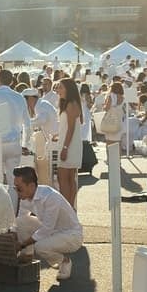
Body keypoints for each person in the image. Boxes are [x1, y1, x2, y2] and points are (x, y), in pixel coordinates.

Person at [13, 165, 83, 280]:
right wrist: (13, 236)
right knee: (20, 222)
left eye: (19, 188)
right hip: (52, 230)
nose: (17, 192)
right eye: (15, 188)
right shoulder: (26, 196)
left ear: (31, 186)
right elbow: (19, 218)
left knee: (40, 247)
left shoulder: (50, 197)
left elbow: (46, 229)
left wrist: (21, 245)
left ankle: (64, 261)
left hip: (71, 235)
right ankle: (27, 255)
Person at [55, 78, 84, 210]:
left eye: (60, 87)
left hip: (69, 145)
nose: (58, 90)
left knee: (63, 178)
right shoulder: (71, 103)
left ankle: (67, 208)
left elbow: (71, 129)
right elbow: (68, 127)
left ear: (68, 89)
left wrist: (65, 147)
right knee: (70, 178)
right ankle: (70, 209)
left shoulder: (70, 104)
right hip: (70, 143)